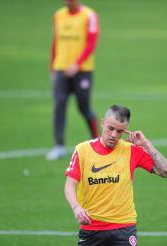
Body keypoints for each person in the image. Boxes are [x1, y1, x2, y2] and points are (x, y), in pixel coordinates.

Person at [64, 105, 167, 246]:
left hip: (124, 229)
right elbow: (69, 185)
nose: (114, 135)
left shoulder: (131, 150)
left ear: (126, 131)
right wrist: (76, 207)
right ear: (102, 123)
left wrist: (146, 143)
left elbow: (166, 172)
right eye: (110, 129)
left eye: (120, 131)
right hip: (91, 229)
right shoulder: (83, 150)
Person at [46, 0, 100, 160]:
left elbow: (91, 44)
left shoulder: (89, 16)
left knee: (84, 107)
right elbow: (55, 42)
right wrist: (52, 67)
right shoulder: (58, 15)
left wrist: (77, 64)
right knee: (59, 105)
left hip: (83, 71)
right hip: (60, 69)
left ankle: (97, 141)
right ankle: (59, 146)